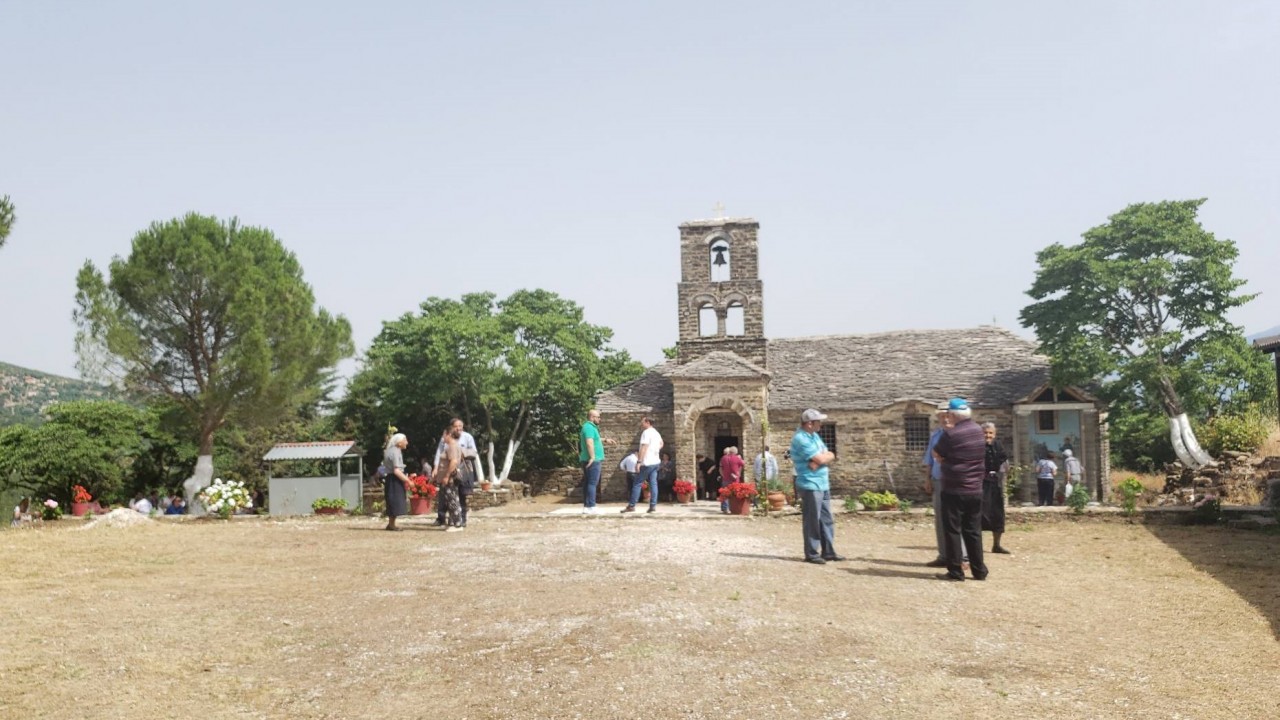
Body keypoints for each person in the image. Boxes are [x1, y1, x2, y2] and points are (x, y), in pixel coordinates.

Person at [931, 397, 989, 581]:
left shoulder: (951, 434)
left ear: (953, 415)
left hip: (954, 487)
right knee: (973, 530)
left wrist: (946, 459)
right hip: (975, 488)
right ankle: (979, 570)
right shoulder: (978, 430)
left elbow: (936, 453)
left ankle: (956, 571)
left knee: (953, 530)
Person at [790, 408, 844, 564]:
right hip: (810, 483)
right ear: (809, 423)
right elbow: (821, 458)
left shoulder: (814, 436)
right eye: (818, 421)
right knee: (812, 520)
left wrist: (822, 458)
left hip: (822, 483)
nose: (820, 424)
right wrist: (822, 458)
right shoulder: (801, 438)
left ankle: (828, 551)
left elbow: (829, 454)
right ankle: (812, 553)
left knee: (826, 519)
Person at [923, 406, 964, 569]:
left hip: (956, 481)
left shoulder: (960, 434)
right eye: (941, 417)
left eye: (947, 416)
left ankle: (962, 557)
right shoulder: (936, 435)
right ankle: (944, 555)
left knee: (958, 518)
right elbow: (929, 460)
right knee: (940, 519)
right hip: (938, 480)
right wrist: (927, 479)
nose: (945, 419)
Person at [434, 418, 479, 527]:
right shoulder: (445, 439)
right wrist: (435, 467)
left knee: (461, 495)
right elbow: (439, 453)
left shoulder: (467, 437)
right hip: (447, 469)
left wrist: (462, 452)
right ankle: (441, 518)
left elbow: (474, 452)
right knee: (445, 495)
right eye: (456, 426)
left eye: (460, 426)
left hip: (461, 470)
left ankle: (461, 519)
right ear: (451, 428)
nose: (458, 428)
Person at [981, 422, 1011, 554]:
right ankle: (976, 545)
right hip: (981, 482)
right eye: (985, 433)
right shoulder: (976, 446)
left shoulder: (998, 445)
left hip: (995, 482)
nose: (988, 435)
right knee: (980, 512)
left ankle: (996, 545)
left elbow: (1004, 461)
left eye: (990, 433)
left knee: (998, 513)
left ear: (994, 434)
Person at [623, 417, 663, 514]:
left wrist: (639, 462)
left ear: (647, 422)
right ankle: (652, 506)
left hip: (647, 462)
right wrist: (655, 450)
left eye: (642, 422)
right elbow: (662, 443)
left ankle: (631, 505)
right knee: (653, 484)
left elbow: (644, 447)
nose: (641, 424)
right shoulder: (656, 432)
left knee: (637, 483)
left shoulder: (646, 432)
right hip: (655, 461)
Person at [433, 426, 466, 532]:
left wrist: (447, 476)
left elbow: (453, 462)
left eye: (444, 434)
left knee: (452, 500)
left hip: (450, 479)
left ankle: (457, 524)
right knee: (450, 500)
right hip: (448, 478)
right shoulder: (452, 446)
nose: (443, 437)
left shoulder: (452, 446)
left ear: (449, 434)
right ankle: (452, 522)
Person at [382, 433, 412, 531]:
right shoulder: (395, 452)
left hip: (390, 478)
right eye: (405, 440)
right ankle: (391, 525)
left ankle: (391, 524)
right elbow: (396, 470)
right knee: (395, 501)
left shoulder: (390, 451)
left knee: (393, 501)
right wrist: (408, 481)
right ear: (399, 443)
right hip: (394, 479)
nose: (407, 442)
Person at [579, 408, 605, 514]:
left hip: (589, 459)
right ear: (592, 417)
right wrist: (592, 457)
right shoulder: (589, 427)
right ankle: (591, 506)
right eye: (598, 417)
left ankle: (587, 506)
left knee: (588, 483)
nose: (599, 419)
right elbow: (589, 442)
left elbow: (595, 439)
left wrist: (605, 440)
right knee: (592, 483)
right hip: (593, 460)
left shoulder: (589, 427)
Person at [718, 446, 745, 514]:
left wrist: (723, 475)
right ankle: (734, 508)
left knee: (725, 493)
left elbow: (720, 468)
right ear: (735, 452)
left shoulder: (723, 458)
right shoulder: (736, 458)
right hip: (734, 479)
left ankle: (725, 508)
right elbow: (743, 463)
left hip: (725, 478)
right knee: (734, 493)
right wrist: (740, 459)